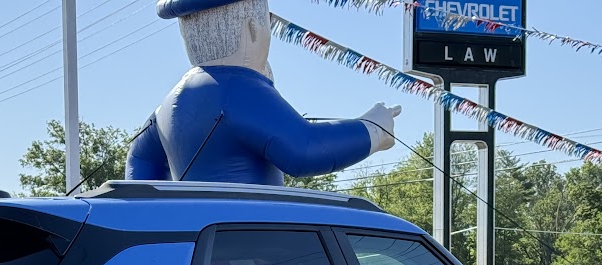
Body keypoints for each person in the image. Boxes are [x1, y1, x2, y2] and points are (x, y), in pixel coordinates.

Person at [126, 0, 401, 186]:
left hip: (203, 242)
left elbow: (140, 156)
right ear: (253, 29)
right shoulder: (239, 90)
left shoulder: (170, 101)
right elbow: (304, 149)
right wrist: (372, 130)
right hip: (253, 239)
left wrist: (152, 210)